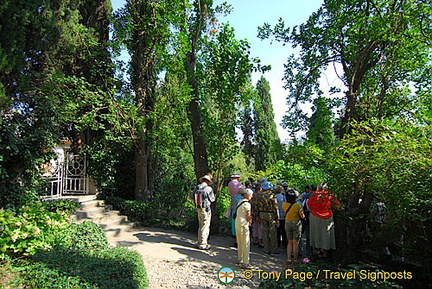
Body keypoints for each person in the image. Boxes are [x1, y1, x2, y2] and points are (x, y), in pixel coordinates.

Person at [307, 182, 340, 258]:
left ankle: (318, 251)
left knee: (316, 233)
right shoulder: (329, 195)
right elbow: (337, 204)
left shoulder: (315, 194)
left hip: (315, 216)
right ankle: (325, 252)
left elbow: (309, 204)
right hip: (327, 216)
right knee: (326, 234)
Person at [189, 174, 215, 250]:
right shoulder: (208, 188)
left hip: (198, 208)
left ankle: (199, 242)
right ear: (208, 181)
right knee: (205, 226)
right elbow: (212, 199)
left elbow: (191, 197)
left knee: (201, 225)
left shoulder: (197, 187)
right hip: (206, 209)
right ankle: (203, 244)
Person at [256, 181, 280, 255]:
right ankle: (274, 250)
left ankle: (266, 249)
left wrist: (257, 215)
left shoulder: (259, 195)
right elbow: (275, 207)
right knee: (273, 232)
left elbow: (257, 206)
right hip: (271, 214)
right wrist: (277, 218)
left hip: (262, 214)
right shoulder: (272, 196)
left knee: (265, 232)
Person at [282, 189, 305, 265]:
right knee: (296, 242)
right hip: (296, 223)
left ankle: (288, 259)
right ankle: (295, 259)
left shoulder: (284, 204)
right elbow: (302, 216)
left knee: (290, 242)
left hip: (287, 222)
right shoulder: (297, 205)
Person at [235, 188, 253, 269]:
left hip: (237, 221)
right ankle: (245, 262)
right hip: (243, 223)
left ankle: (240, 258)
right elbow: (248, 215)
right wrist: (250, 221)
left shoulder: (240, 201)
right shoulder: (247, 204)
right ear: (248, 196)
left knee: (239, 240)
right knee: (246, 242)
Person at [226, 172, 243, 247]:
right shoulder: (239, 184)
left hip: (233, 201)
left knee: (233, 219)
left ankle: (234, 234)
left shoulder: (230, 183)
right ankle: (238, 238)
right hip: (238, 202)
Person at [251, 183, 263, 247]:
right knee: (260, 227)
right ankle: (260, 241)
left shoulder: (253, 195)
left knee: (255, 225)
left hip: (254, 212)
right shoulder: (260, 195)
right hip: (259, 212)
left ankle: (254, 239)